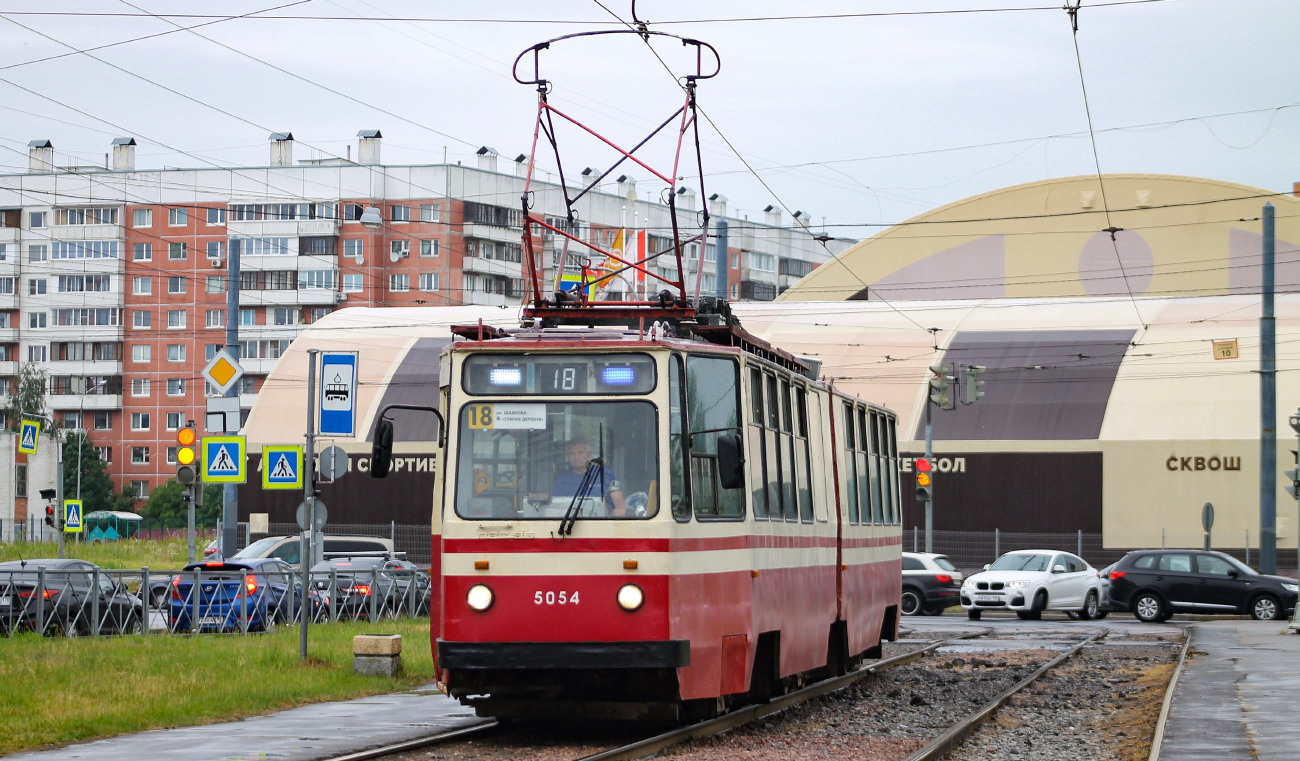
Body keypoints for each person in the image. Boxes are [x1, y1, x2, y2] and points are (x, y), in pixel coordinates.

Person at [552, 438, 627, 517]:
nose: (576, 457)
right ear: (568, 456)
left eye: (580, 452)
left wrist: (620, 510)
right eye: (572, 453)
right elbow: (557, 509)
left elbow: (618, 501)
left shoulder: (605, 473)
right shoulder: (561, 481)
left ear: (589, 454)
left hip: (603, 522)